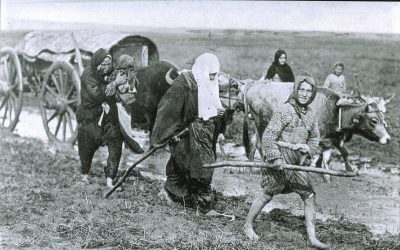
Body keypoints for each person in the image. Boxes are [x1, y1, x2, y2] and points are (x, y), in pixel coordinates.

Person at [244, 73, 329, 249]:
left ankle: (312, 237)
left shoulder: (311, 115)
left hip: (297, 162)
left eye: (309, 91)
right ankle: (247, 225)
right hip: (281, 159)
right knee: (267, 193)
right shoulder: (285, 110)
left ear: (312, 94)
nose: (305, 94)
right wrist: (275, 158)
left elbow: (314, 138)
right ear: (296, 90)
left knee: (309, 195)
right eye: (302, 89)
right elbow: (268, 136)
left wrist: (309, 149)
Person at [151, 53, 225, 212]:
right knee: (200, 165)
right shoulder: (184, 84)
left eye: (215, 76)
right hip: (185, 132)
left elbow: (212, 104)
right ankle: (202, 203)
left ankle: (180, 196)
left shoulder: (208, 83)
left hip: (204, 131)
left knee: (186, 164)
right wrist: (169, 133)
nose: (213, 79)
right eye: (211, 76)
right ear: (203, 71)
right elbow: (168, 110)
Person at [76, 48, 128, 189]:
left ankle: (110, 179)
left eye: (108, 65)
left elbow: (117, 91)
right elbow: (98, 94)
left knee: (116, 142)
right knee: (87, 146)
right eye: (103, 65)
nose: (106, 68)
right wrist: (115, 83)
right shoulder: (88, 75)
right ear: (96, 62)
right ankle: (84, 174)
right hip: (90, 117)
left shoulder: (110, 73)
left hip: (107, 117)